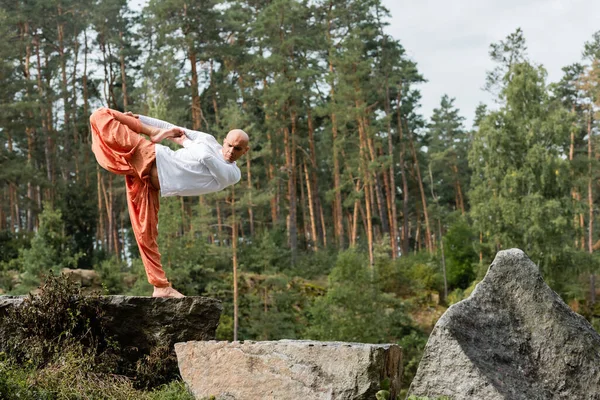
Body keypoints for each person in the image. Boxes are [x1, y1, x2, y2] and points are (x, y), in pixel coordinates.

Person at [89, 108, 249, 298]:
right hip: (152, 157)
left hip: (150, 181)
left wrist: (185, 141)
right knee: (100, 115)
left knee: (145, 233)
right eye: (229, 145)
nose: (231, 151)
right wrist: (141, 119)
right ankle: (140, 126)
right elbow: (171, 128)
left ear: (245, 151)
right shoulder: (207, 140)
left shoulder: (233, 173)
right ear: (224, 141)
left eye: (237, 149)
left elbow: (205, 157)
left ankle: (160, 286)